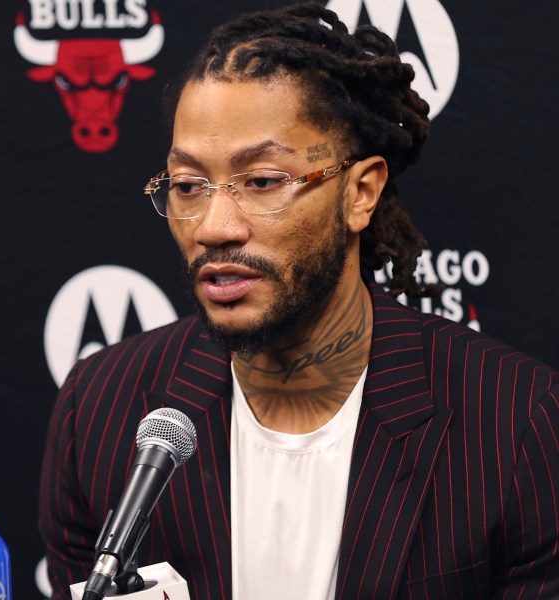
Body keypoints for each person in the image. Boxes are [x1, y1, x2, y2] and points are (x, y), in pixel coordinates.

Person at [39, 3, 559, 599]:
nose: (214, 226)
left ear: (360, 193)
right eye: (187, 186)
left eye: (261, 181)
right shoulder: (100, 410)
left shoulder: (518, 421)